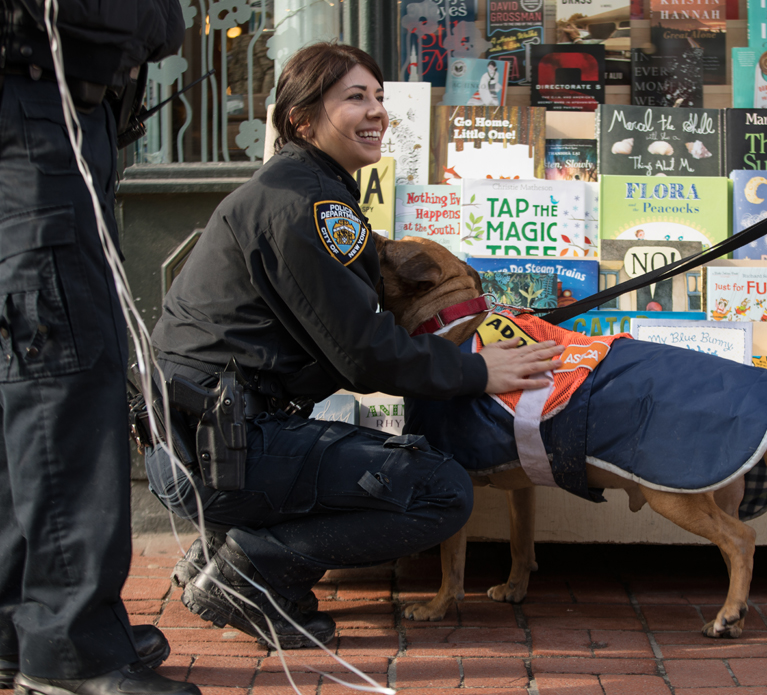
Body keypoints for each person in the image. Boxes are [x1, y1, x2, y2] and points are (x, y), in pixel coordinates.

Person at [146, 42, 564, 649]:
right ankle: (250, 572)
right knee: (440, 489)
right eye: (354, 98)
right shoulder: (307, 205)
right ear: (301, 119)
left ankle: (224, 547)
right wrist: (477, 371)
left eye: (379, 98)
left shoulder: (299, 189)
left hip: (202, 443)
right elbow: (362, 353)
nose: (376, 112)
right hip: (224, 449)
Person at [0, 1, 200, 694]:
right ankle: (69, 642)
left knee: (29, 368)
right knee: (65, 373)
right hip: (37, 110)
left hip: (53, 111)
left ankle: (21, 621)